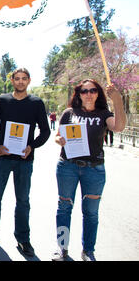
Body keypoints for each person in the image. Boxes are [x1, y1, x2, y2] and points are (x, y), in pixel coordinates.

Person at [0, 67, 50, 257]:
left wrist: (31, 146)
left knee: (23, 201)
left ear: (29, 80)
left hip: (24, 161)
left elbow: (45, 131)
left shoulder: (36, 103)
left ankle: (23, 239)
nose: (20, 82)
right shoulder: (2, 100)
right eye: (17, 78)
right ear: (11, 80)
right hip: (2, 158)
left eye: (24, 79)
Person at [52, 79, 126, 261]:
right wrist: (59, 140)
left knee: (91, 212)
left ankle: (88, 251)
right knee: (64, 208)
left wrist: (117, 99)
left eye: (93, 90)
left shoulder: (103, 113)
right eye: (84, 91)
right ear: (79, 94)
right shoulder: (70, 113)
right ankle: (62, 249)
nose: (88, 94)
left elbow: (119, 127)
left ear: (98, 93)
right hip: (67, 166)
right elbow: (58, 135)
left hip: (94, 169)